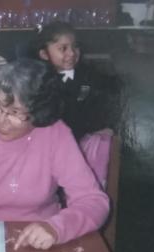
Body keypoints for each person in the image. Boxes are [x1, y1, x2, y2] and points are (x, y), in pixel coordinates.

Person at [0, 59, 109, 250]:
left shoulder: (55, 134)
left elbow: (93, 200)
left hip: (38, 241)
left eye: (16, 113)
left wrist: (56, 228)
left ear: (40, 114)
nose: (2, 119)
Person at [35, 21, 122, 186]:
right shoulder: (41, 81)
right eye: (63, 48)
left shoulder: (90, 77)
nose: (72, 53)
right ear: (44, 54)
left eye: (75, 47)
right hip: (52, 146)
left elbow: (103, 108)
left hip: (82, 141)